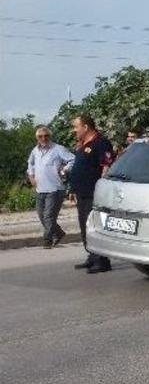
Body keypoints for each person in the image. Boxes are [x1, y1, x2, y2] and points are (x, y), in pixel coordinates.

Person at [67, 115, 115, 273]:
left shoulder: (101, 142)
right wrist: (73, 189)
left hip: (94, 193)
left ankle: (102, 261)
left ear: (86, 127)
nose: (74, 130)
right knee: (85, 226)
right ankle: (92, 256)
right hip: (82, 192)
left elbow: (106, 166)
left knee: (95, 226)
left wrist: (101, 189)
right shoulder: (82, 144)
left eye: (76, 127)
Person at [26, 125, 75, 249]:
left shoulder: (58, 149)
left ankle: (47, 240)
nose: (43, 138)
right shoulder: (35, 151)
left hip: (55, 189)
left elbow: (73, 159)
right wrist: (31, 176)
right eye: (40, 136)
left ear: (50, 136)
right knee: (42, 216)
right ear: (37, 138)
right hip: (40, 189)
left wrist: (64, 169)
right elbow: (30, 164)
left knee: (48, 217)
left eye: (46, 136)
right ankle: (58, 233)